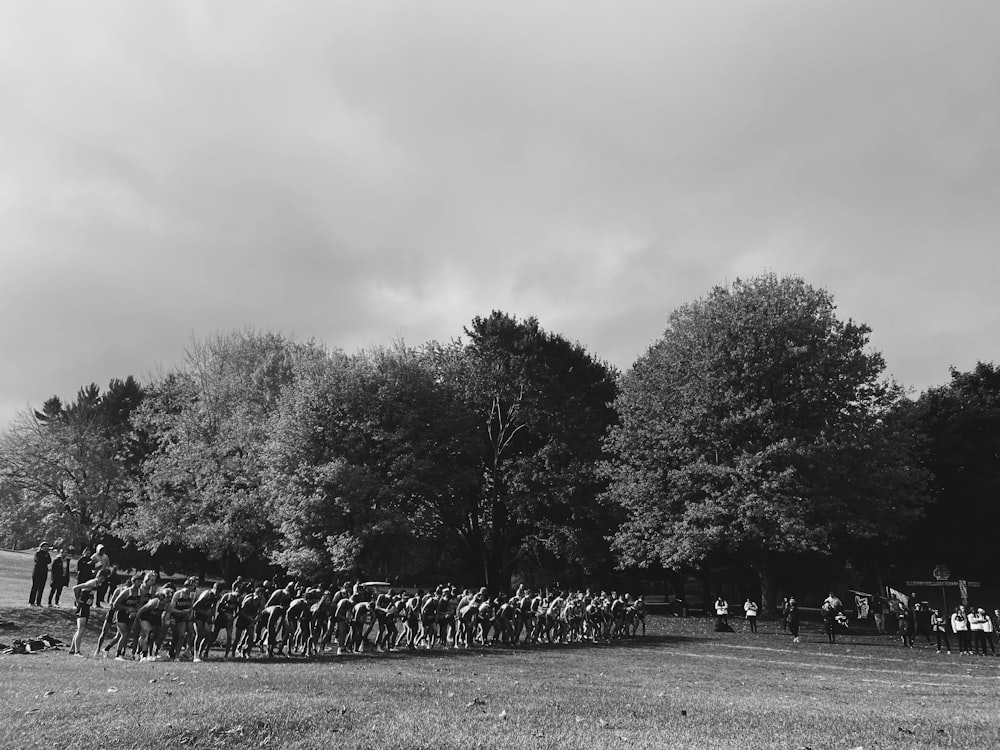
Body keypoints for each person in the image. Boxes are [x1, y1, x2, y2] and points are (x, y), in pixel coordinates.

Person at [68, 569, 110, 656]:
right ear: (98, 576)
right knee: (81, 629)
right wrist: (77, 600)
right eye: (102, 578)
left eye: (104, 579)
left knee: (80, 630)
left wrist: (91, 598)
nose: (102, 580)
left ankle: (72, 650)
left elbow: (89, 593)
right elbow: (75, 588)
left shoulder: (97, 584)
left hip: (87, 607)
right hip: (82, 607)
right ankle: (77, 651)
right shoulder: (91, 583)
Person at [29, 542, 51, 606]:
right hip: (37, 572)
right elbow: (39, 561)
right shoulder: (37, 553)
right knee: (35, 587)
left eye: (47, 547)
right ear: (41, 547)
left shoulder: (47, 554)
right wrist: (45, 560)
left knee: (41, 588)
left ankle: (38, 602)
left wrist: (45, 559)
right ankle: (31, 602)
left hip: (44, 572)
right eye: (44, 546)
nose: (46, 548)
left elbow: (49, 561)